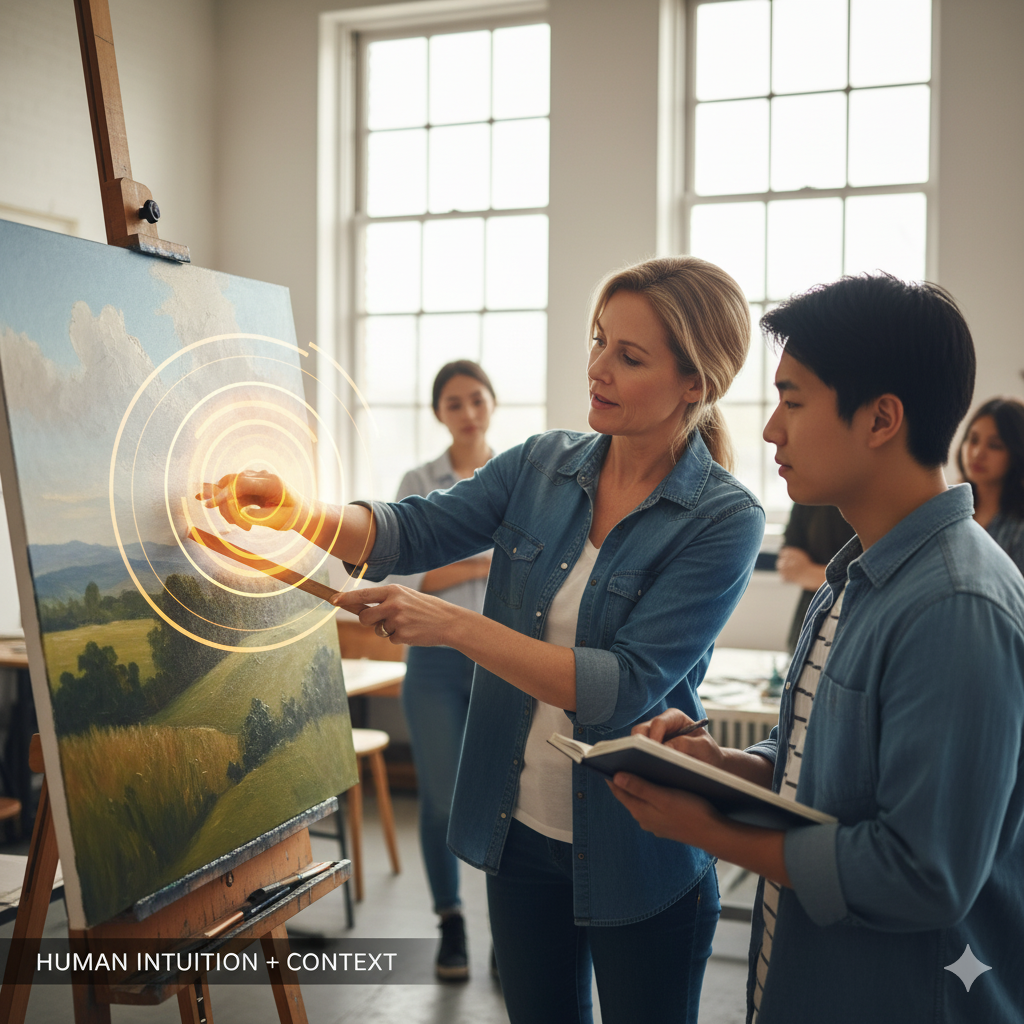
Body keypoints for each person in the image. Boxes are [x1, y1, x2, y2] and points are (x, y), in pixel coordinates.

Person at [201, 256, 765, 1024]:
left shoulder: (724, 518)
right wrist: (297, 510)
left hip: (643, 847)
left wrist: (454, 626)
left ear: (695, 384)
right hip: (521, 836)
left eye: (629, 357)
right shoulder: (540, 464)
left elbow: (618, 686)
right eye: (598, 341)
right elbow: (412, 529)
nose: (597, 367)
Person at [607, 273, 1024, 1024]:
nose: (770, 429)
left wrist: (710, 831)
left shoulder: (957, 605)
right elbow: (831, 760)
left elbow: (922, 875)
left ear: (881, 419)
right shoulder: (857, 576)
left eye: (793, 401)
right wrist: (727, 769)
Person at [389, 359, 495, 979]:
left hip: (499, 661)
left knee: (510, 800)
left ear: (491, 405)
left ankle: (508, 934)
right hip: (431, 665)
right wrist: (479, 565)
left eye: (476, 400)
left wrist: (454, 565)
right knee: (441, 801)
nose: (467, 412)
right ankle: (450, 922)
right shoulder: (417, 480)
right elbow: (406, 579)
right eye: (454, 403)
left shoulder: (518, 479)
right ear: (439, 414)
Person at [956, 396, 1024, 574]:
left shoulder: (1018, 530)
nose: (978, 453)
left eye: (994, 445)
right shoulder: (950, 511)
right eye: (973, 440)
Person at [776, 504, 853, 652]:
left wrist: (808, 573)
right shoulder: (807, 495)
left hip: (854, 627)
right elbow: (788, 567)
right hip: (807, 624)